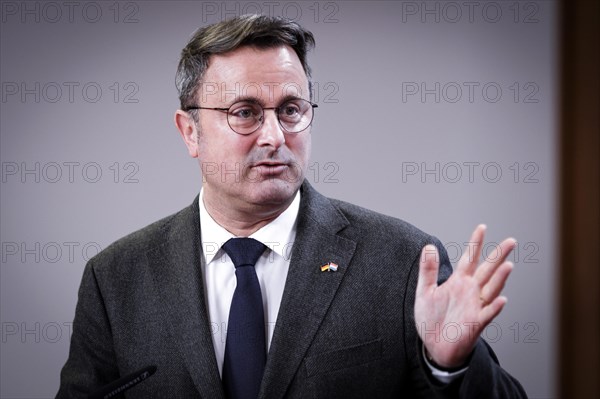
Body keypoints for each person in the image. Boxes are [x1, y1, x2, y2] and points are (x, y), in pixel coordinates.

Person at [57, 14, 527, 398]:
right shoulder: (115, 278)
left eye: (290, 109)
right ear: (190, 132)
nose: (275, 136)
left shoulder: (404, 262)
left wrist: (452, 365)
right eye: (244, 113)